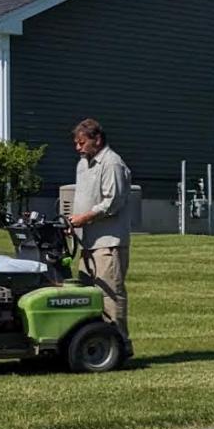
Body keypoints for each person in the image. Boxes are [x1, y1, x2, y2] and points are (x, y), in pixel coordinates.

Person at [68, 118, 134, 357]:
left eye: (82, 142)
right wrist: (73, 222)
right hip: (87, 242)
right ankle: (93, 343)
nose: (78, 147)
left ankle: (120, 346)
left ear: (97, 139)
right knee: (87, 296)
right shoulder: (82, 164)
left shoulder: (112, 163)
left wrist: (84, 218)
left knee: (109, 295)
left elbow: (112, 203)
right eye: (76, 143)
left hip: (109, 243)